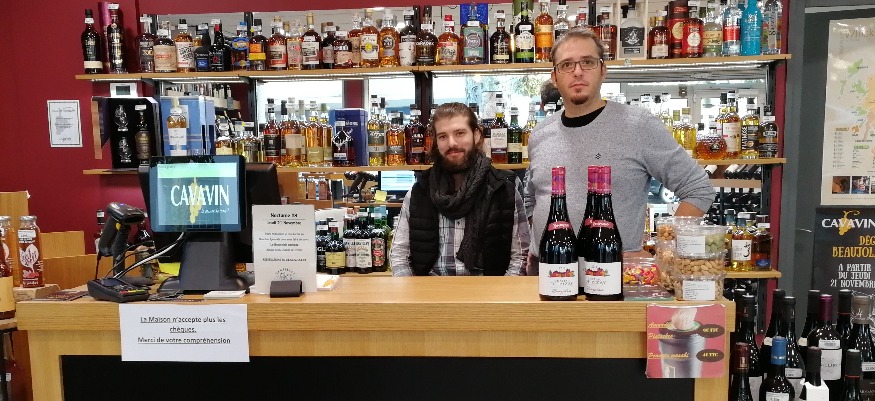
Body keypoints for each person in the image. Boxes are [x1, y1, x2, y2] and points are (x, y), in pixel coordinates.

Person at [525, 27, 714, 274]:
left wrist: (662, 250)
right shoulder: (540, 134)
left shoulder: (638, 125)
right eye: (567, 65)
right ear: (554, 76)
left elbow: (698, 189)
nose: (578, 71)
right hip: (546, 274)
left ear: (603, 70)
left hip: (610, 275)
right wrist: (538, 244)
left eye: (588, 62)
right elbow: (532, 197)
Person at [389, 102, 529, 276]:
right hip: (430, 289)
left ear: (476, 135)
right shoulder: (420, 191)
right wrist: (413, 291)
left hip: (488, 289)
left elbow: (520, 258)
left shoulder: (502, 189)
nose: (452, 143)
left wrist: (501, 293)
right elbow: (399, 257)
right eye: (443, 136)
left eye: (460, 133)